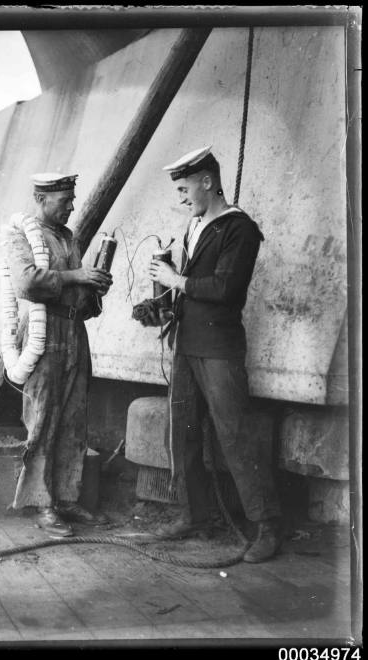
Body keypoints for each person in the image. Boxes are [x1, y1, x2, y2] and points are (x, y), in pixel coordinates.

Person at [142, 146, 282, 563]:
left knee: (235, 435)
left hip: (219, 349)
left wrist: (175, 279)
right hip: (187, 345)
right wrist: (163, 302)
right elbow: (192, 285)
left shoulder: (239, 228)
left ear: (208, 182)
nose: (182, 198)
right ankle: (193, 515)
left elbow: (225, 290)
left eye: (185, 189)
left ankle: (268, 527)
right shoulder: (195, 226)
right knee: (183, 433)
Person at [4, 172, 112, 536]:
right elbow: (27, 282)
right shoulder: (22, 234)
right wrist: (77, 276)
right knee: (43, 419)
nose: (71, 205)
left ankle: (66, 498)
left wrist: (94, 287)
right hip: (42, 333)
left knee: (73, 418)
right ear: (40, 197)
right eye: (65, 199)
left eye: (72, 198)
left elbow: (81, 299)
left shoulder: (68, 238)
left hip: (73, 333)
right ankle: (42, 503)